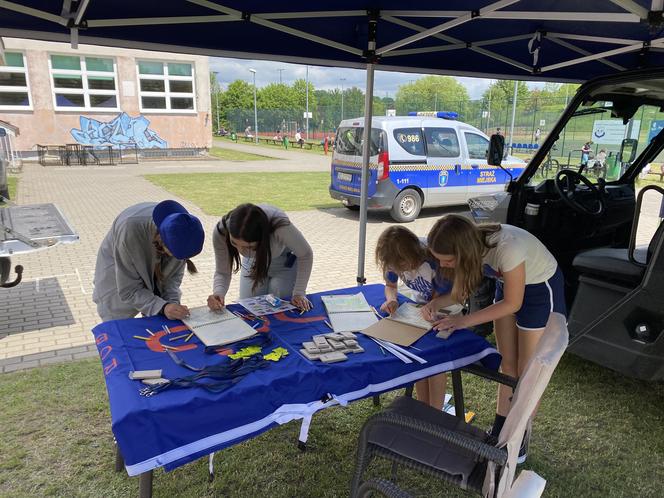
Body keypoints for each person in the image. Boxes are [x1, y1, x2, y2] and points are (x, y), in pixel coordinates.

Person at [426, 214, 565, 463]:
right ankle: (500, 430)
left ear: (463, 251)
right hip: (510, 285)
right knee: (507, 364)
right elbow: (459, 295)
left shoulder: (507, 247)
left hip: (540, 289)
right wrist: (436, 303)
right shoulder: (469, 250)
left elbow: (513, 303)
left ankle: (517, 440)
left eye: (446, 260)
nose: (443, 265)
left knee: (528, 371)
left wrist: (463, 321)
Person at [375, 226, 453, 409]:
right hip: (420, 309)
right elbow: (390, 285)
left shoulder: (434, 262)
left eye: (403, 267)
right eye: (396, 268)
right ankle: (424, 408)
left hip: (447, 308)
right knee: (420, 358)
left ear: (413, 254)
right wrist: (392, 300)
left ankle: (435, 413)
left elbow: (449, 296)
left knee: (434, 362)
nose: (401, 271)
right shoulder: (394, 258)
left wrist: (432, 307)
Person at [93, 200, 205, 322]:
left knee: (158, 320)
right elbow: (129, 290)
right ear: (161, 240)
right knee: (117, 324)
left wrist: (171, 304)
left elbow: (172, 278)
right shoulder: (130, 230)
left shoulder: (182, 232)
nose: (174, 258)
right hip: (116, 275)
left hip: (148, 262)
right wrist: (162, 307)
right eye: (170, 254)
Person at [209, 203, 313, 311]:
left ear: (263, 238)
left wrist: (299, 293)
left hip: (283, 263)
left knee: (282, 304)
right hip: (253, 262)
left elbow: (305, 254)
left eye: (249, 247)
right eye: (234, 243)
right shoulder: (222, 230)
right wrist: (218, 293)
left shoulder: (280, 226)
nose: (240, 251)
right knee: (249, 305)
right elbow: (222, 271)